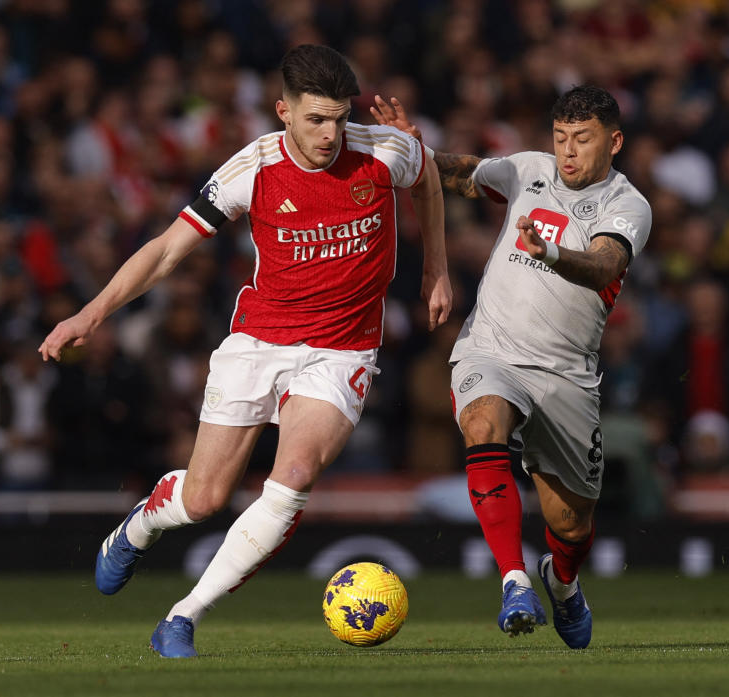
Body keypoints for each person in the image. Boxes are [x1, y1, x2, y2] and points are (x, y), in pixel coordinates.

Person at [39, 44, 452, 658]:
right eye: (316, 119)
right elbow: (167, 249)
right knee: (204, 499)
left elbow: (429, 180)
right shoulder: (252, 168)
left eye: (340, 118)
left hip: (343, 350)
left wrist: (435, 269)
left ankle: (182, 617)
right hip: (259, 340)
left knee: (292, 477)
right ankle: (145, 521)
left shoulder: (385, 149)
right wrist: (91, 311)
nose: (330, 133)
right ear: (283, 111)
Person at [373, 85, 651, 648]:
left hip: (567, 375)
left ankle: (562, 582)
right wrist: (416, 151)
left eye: (584, 139)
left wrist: (549, 252)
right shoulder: (528, 170)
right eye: (561, 138)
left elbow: (603, 266)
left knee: (571, 525)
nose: (568, 151)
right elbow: (462, 174)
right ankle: (515, 580)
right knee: (482, 423)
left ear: (614, 142)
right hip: (490, 349)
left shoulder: (628, 205)